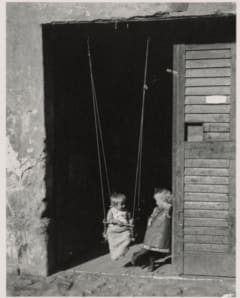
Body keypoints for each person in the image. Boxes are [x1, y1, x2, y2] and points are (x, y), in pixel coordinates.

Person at [131, 188, 172, 271]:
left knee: (153, 251)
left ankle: (151, 265)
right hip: (151, 233)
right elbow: (151, 217)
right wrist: (150, 220)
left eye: (157, 201)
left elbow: (169, 206)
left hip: (160, 234)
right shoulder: (156, 209)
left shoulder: (167, 209)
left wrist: (165, 202)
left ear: (163, 201)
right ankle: (136, 256)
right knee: (146, 249)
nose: (156, 203)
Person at [104, 193, 134, 260]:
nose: (124, 205)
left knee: (127, 239)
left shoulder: (126, 211)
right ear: (114, 205)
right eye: (122, 204)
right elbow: (109, 219)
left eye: (124, 203)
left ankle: (122, 251)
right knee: (113, 243)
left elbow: (130, 218)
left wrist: (131, 222)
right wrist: (115, 221)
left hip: (124, 229)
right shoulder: (111, 211)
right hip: (114, 230)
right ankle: (115, 254)